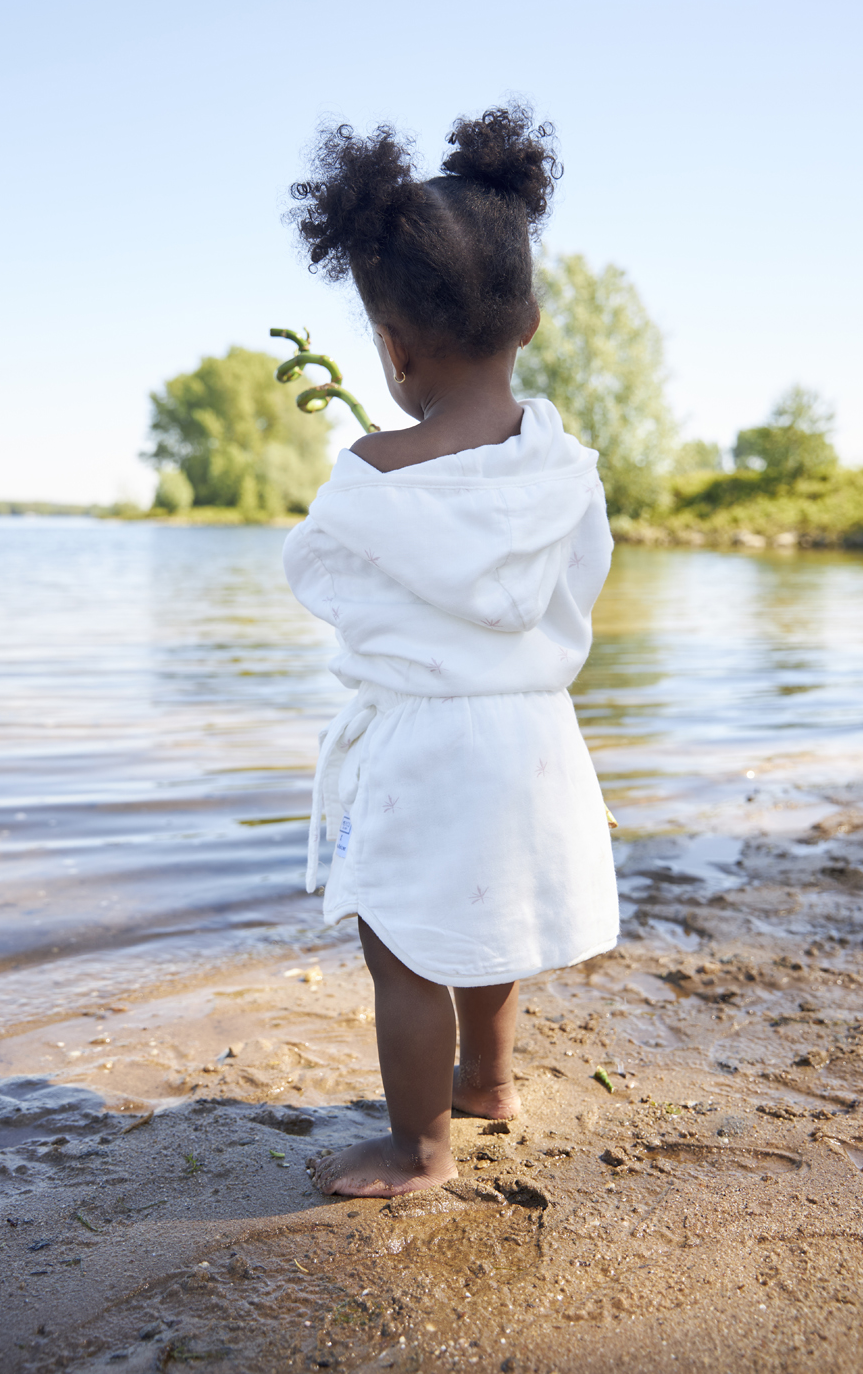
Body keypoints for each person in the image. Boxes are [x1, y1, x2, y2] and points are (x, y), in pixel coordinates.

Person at [282, 105, 619, 1197]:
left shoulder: (371, 474)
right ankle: (488, 1085)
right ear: (527, 320)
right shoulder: (567, 466)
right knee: (496, 914)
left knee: (407, 949)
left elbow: (321, 582)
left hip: (428, 744)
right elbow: (582, 581)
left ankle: (417, 1147)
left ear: (390, 347)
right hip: (532, 732)